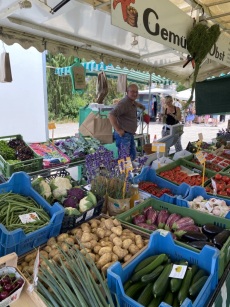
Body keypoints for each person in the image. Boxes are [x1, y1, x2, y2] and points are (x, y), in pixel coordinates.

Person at [108, 84, 145, 161]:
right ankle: (124, 172)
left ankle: (128, 172)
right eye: (132, 91)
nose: (135, 94)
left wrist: (141, 106)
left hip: (129, 134)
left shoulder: (132, 102)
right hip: (123, 135)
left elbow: (136, 104)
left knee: (132, 156)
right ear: (127, 92)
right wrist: (118, 130)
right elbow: (111, 115)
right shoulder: (124, 103)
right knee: (124, 159)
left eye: (136, 92)